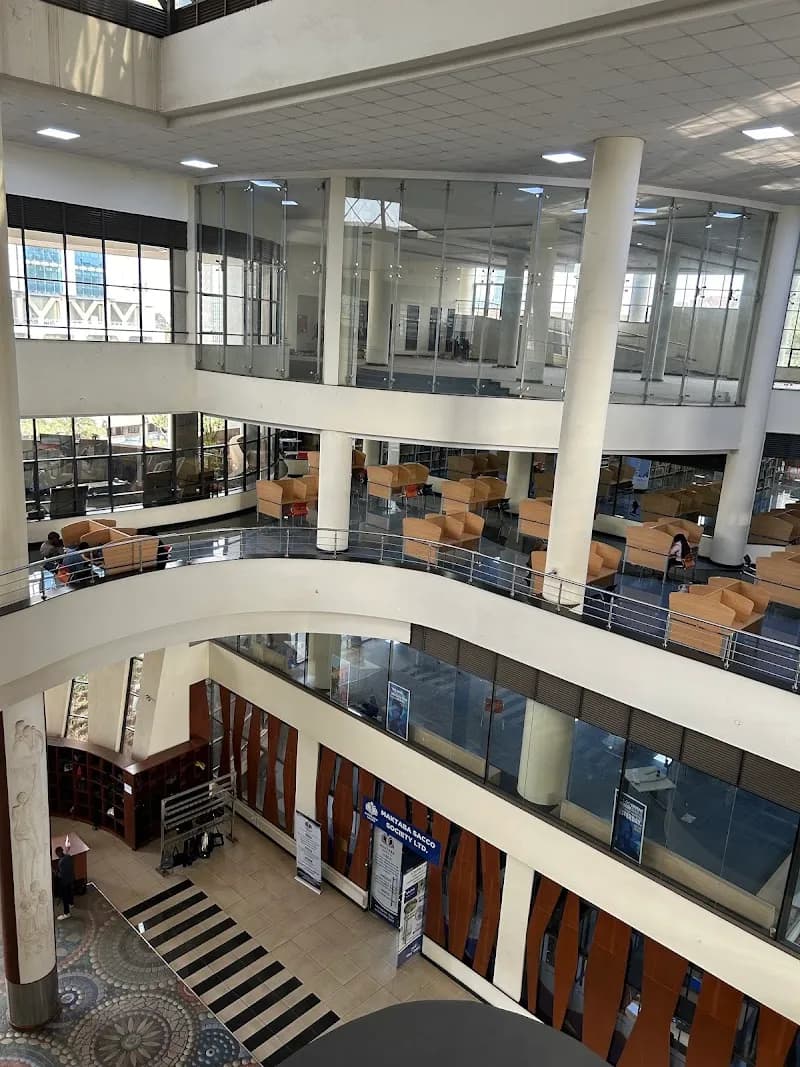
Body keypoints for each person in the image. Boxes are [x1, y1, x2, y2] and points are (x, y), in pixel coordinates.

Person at [55, 846, 75, 920]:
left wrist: (55, 873)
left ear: (58, 853)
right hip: (71, 879)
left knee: (64, 897)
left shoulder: (61, 862)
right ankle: (71, 903)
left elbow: (61, 875)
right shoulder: (68, 856)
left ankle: (66, 913)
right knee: (70, 891)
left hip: (64, 882)